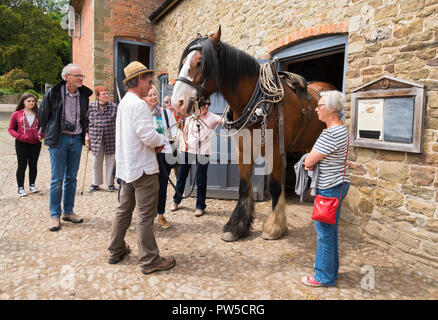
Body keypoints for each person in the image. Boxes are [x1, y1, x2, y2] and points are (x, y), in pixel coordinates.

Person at [108, 61, 175, 275]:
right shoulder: (138, 104)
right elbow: (147, 135)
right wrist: (162, 140)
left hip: (128, 167)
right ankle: (149, 260)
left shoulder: (125, 103)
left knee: (124, 210)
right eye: (148, 81)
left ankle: (116, 249)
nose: (150, 85)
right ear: (138, 80)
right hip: (143, 169)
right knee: (146, 215)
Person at [301, 90, 350, 287]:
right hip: (338, 184)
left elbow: (310, 161)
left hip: (329, 186)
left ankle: (323, 277)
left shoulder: (330, 133)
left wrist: (308, 161)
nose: (316, 109)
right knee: (330, 230)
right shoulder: (342, 130)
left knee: (324, 232)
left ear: (331, 109)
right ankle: (331, 271)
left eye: (319, 105)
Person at [39, 63, 92, 232]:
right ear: (67, 77)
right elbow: (43, 116)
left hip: (76, 139)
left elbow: (85, 116)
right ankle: (54, 214)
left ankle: (68, 211)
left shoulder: (83, 95)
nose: (81, 78)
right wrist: (52, 132)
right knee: (57, 179)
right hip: (59, 140)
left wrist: (86, 132)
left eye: (82, 76)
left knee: (72, 178)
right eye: (77, 76)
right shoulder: (53, 93)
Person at [170, 97, 223, 217]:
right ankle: (176, 201)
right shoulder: (190, 117)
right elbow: (185, 131)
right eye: (205, 104)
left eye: (209, 104)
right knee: (182, 176)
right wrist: (186, 142)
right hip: (188, 150)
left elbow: (224, 120)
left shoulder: (212, 117)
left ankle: (200, 206)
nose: (207, 106)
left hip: (203, 152)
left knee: (201, 180)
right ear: (198, 105)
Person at [144, 85, 177, 229]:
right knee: (147, 187)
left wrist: (165, 141)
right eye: (150, 95)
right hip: (147, 155)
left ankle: (160, 214)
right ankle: (147, 215)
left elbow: (173, 131)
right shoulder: (142, 113)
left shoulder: (164, 113)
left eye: (154, 95)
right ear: (144, 97)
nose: (153, 97)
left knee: (162, 185)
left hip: (163, 153)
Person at [8, 93, 43, 197]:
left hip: (36, 144)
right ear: (23, 102)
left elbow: (45, 127)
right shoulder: (17, 114)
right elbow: (10, 129)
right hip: (21, 144)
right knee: (22, 165)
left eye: (33, 101)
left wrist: (42, 135)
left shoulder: (39, 114)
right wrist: (20, 136)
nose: (31, 103)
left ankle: (32, 185)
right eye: (29, 101)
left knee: (33, 165)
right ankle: (20, 188)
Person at [87, 86, 118, 192]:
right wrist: (87, 135)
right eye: (103, 94)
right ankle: (95, 183)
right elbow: (86, 122)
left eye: (106, 93)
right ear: (98, 96)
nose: (106, 95)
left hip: (111, 137)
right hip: (96, 138)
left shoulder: (114, 107)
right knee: (96, 161)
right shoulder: (91, 107)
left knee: (111, 161)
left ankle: (110, 183)